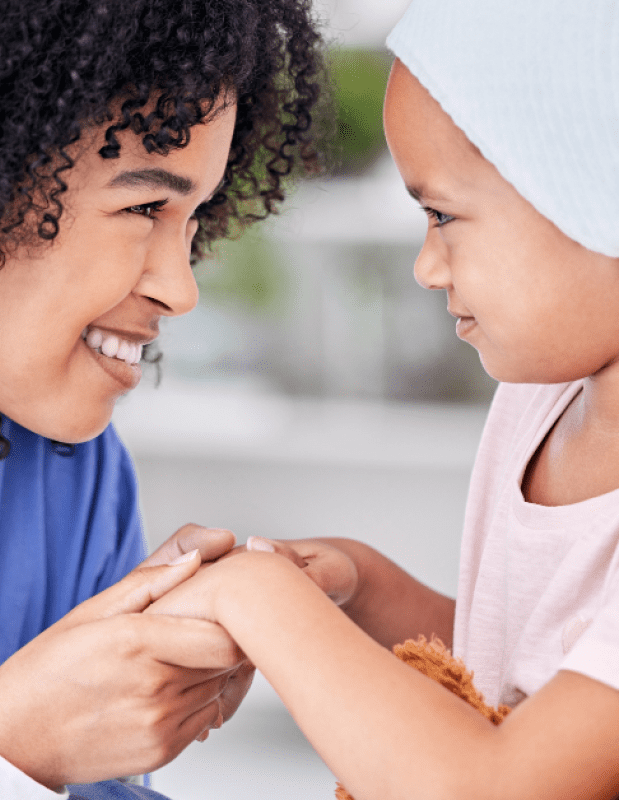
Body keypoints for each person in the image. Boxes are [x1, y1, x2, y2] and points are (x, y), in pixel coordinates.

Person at [0, 1, 323, 798]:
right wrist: (7, 756)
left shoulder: (70, 482)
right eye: (144, 207)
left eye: (193, 219)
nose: (181, 289)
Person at [145, 1, 619, 798]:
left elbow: (499, 784)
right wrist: (364, 587)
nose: (426, 267)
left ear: (591, 194)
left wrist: (257, 598)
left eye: (442, 215)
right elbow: (522, 672)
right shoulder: (536, 403)